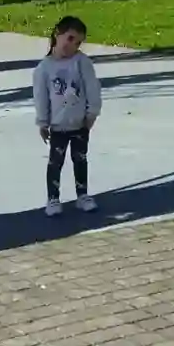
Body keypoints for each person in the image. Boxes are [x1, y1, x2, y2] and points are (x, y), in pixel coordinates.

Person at [33, 14, 102, 217]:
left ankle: (83, 196)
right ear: (57, 34)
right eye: (70, 38)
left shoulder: (82, 62)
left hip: (80, 124)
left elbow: (92, 88)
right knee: (55, 162)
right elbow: (41, 98)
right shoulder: (44, 69)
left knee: (80, 160)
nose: (73, 45)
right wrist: (42, 122)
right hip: (58, 127)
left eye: (78, 42)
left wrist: (92, 113)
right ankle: (53, 199)